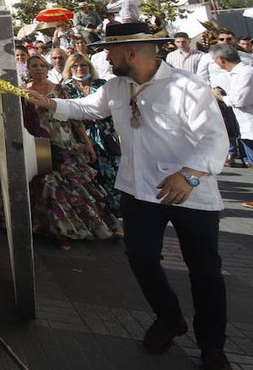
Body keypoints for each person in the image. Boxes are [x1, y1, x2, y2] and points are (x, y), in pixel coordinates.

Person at [26, 22, 230, 369]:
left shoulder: (186, 86)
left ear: (131, 53)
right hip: (138, 190)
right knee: (141, 257)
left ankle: (212, 346)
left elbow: (214, 139)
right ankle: (169, 318)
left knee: (205, 271)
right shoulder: (116, 87)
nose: (105, 56)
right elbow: (89, 108)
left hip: (190, 193)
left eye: (110, 51)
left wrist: (189, 175)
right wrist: (48, 101)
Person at [21, 55, 116, 250]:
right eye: (34, 66)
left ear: (48, 68)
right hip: (38, 145)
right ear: (28, 69)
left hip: (64, 143)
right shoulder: (22, 92)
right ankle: (57, 231)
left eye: (42, 65)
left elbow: (75, 118)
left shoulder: (60, 90)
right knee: (46, 188)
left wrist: (87, 143)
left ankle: (84, 226)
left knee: (72, 187)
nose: (38, 69)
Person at [61, 53, 122, 220]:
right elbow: (71, 114)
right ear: (69, 69)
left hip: (107, 135)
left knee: (112, 174)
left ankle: (116, 214)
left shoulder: (101, 84)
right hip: (83, 136)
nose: (80, 69)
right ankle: (100, 217)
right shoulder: (66, 88)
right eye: (75, 66)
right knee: (90, 177)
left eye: (83, 66)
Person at [210, 44, 253, 194]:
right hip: (243, 125)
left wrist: (219, 97)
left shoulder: (246, 72)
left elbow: (239, 100)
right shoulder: (233, 74)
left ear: (220, 60)